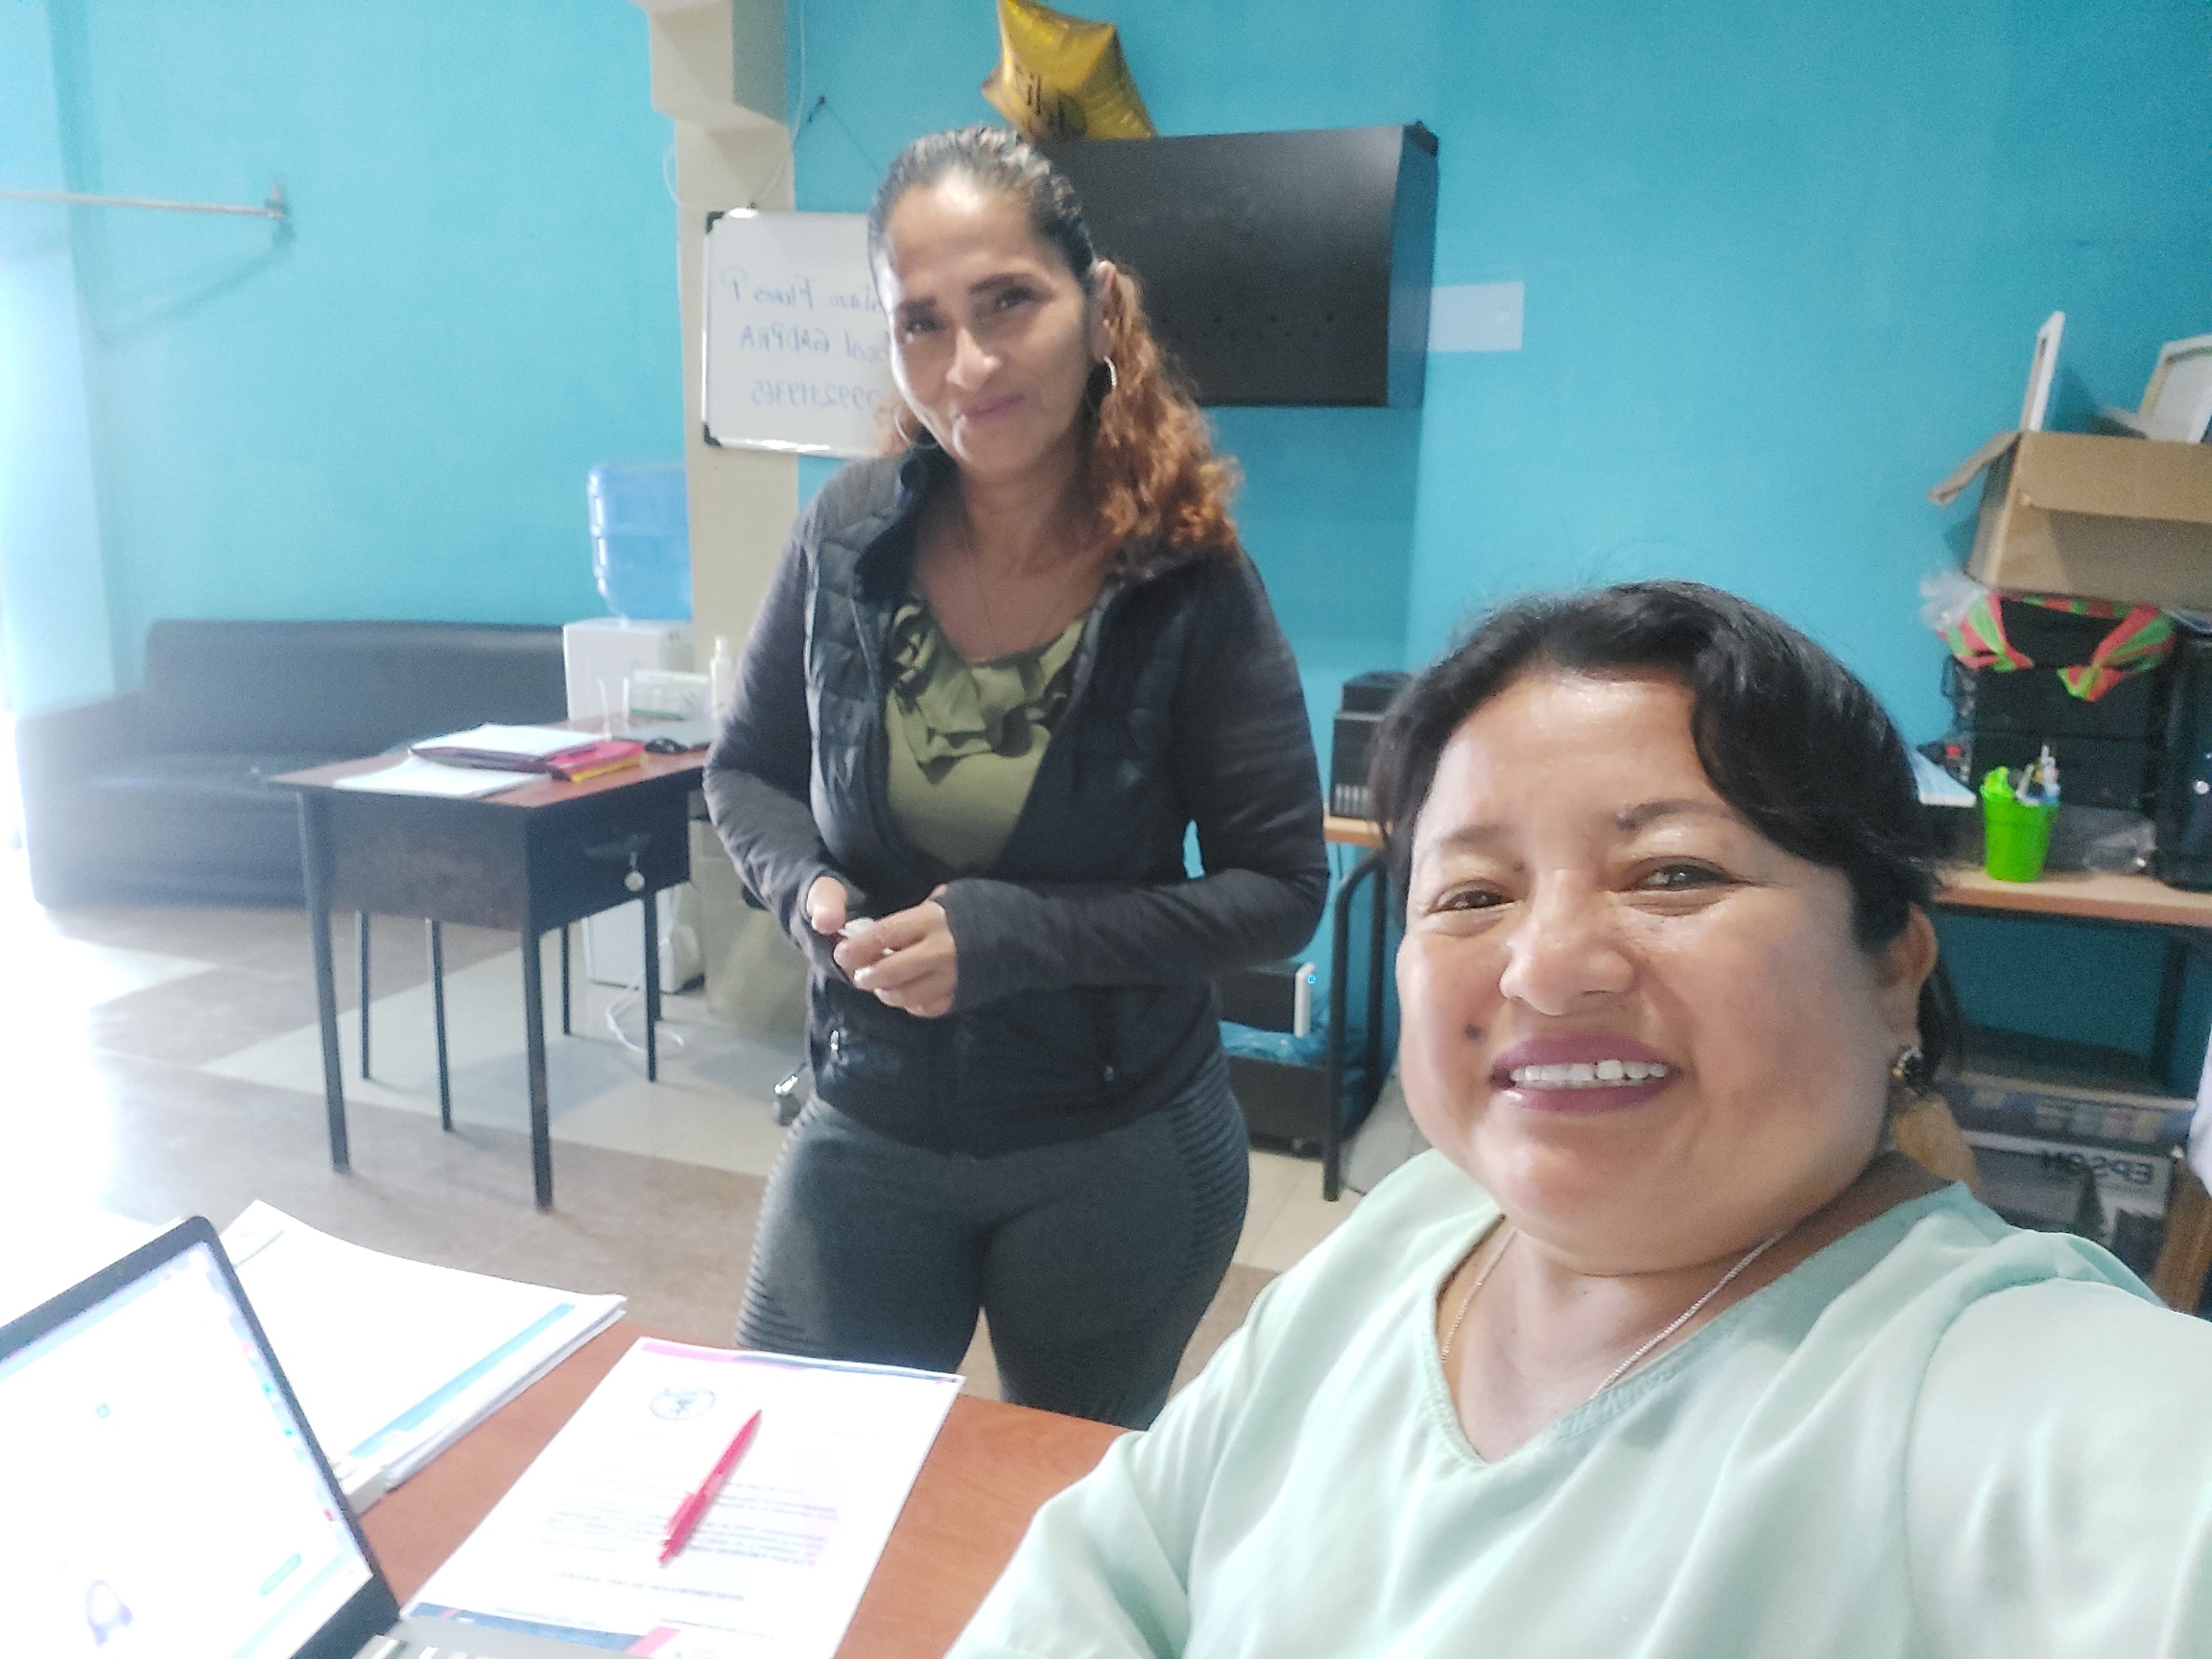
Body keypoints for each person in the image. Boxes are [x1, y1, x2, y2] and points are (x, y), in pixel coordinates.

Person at [952, 581, 2212, 1655]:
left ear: (1893, 969)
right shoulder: (1414, 1228)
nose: (1546, 968)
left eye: (1675, 872)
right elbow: (1104, 1572)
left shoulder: (2021, 1403)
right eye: (1471, 894)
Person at [702, 125, 1327, 1430]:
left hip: (1113, 1149)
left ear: (1094, 306)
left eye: (1007, 303)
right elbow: (746, 771)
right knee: (797, 1472)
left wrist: (1020, 937)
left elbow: (1280, 889)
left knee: (1051, 1509)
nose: (968, 365)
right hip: (868, 1114)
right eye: (920, 323)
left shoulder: (1188, 579)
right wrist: (804, 887)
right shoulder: (845, 534)